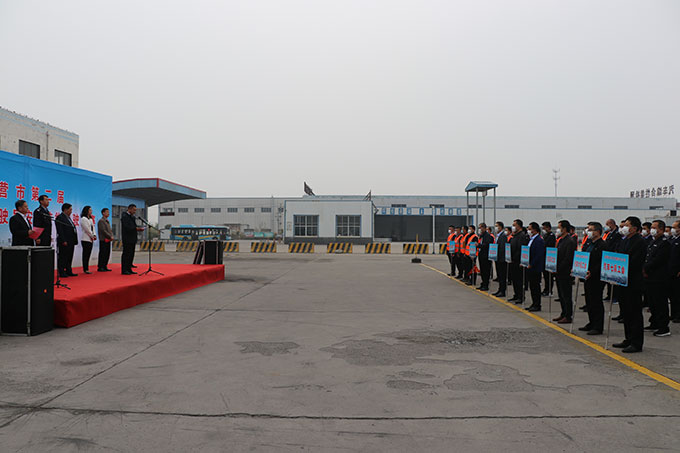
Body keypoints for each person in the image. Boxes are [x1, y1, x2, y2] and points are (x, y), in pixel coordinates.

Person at [613, 216, 647, 353]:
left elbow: (635, 263)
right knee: (626, 312)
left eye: (627, 225)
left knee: (634, 313)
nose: (624, 228)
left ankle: (636, 343)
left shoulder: (639, 242)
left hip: (633, 282)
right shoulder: (625, 240)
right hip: (622, 281)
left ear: (634, 228)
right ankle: (628, 338)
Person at [643, 220, 671, 337]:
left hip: (659, 278)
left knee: (660, 303)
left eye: (655, 228)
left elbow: (658, 260)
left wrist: (645, 268)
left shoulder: (664, 243)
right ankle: (654, 322)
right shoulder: (652, 241)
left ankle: (663, 327)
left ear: (661, 229)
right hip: (650, 277)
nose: (652, 230)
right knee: (652, 302)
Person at [579, 222, 606, 335]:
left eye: (590, 230)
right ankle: (591, 322)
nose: (588, 232)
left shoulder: (603, 245)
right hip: (587, 276)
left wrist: (593, 271)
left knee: (596, 301)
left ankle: (598, 326)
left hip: (596, 277)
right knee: (589, 301)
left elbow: (601, 262)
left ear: (597, 232)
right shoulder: (589, 243)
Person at [554, 220, 576, 324]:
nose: (558, 229)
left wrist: (559, 268)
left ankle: (568, 315)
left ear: (564, 229)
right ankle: (563, 313)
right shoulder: (561, 240)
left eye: (559, 227)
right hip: (559, 272)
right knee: (561, 295)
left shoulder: (570, 241)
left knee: (566, 295)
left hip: (565, 272)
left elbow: (568, 258)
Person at [525, 222, 546, 312]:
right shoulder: (531, 239)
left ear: (535, 230)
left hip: (535, 267)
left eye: (530, 229)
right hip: (529, 266)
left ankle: (537, 304)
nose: (528, 231)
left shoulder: (539, 240)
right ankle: (533, 303)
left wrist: (532, 264)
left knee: (535, 286)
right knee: (532, 286)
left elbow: (539, 255)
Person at [56, 203, 78, 277]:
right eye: (70, 209)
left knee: (69, 256)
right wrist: (63, 240)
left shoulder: (68, 218)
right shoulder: (60, 217)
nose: (71, 211)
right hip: (65, 241)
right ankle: (61, 271)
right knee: (63, 257)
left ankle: (69, 270)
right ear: (65, 210)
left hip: (71, 240)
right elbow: (60, 230)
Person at [121, 204, 144, 275]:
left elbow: (134, 226)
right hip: (127, 238)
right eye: (134, 210)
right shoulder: (124, 216)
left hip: (132, 238)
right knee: (126, 254)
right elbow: (127, 227)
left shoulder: (132, 217)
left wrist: (138, 228)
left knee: (131, 254)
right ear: (129, 209)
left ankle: (129, 268)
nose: (134, 212)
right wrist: (136, 229)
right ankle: (124, 270)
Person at [508, 219, 527, 304]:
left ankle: (521, 296)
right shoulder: (514, 235)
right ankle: (516, 295)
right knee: (514, 280)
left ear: (519, 226)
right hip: (512, 261)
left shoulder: (522, 236)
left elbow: (520, 249)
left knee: (519, 280)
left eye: (514, 225)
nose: (513, 227)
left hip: (517, 261)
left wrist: (515, 258)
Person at [78, 206, 97, 274]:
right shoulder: (83, 219)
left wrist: (94, 235)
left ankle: (87, 268)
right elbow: (87, 229)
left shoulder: (90, 219)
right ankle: (85, 269)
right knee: (85, 254)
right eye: (90, 210)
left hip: (90, 239)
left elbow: (93, 228)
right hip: (85, 239)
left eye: (91, 210)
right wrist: (92, 236)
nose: (91, 211)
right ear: (86, 211)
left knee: (88, 254)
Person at [669, 220, 680, 323]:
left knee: (678, 294)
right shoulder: (673, 239)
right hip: (671, 270)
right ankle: (673, 313)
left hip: (677, 271)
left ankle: (678, 315)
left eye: (675, 227)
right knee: (672, 294)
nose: (673, 229)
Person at [493, 221, 508, 297]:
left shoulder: (503, 236)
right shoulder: (498, 236)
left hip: (501, 259)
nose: (495, 228)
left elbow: (502, 248)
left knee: (502, 276)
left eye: (497, 226)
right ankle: (500, 289)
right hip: (497, 258)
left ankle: (502, 291)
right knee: (499, 275)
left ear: (500, 227)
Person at [541, 222, 556, 296]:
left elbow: (549, 246)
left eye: (544, 228)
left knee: (549, 276)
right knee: (545, 276)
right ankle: (546, 289)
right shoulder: (545, 235)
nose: (543, 230)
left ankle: (549, 290)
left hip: (549, 258)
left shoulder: (551, 236)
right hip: (544, 258)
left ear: (548, 228)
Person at [98, 208, 114, 272]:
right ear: (103, 213)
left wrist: (111, 236)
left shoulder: (107, 221)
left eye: (108, 212)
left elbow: (110, 230)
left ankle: (105, 266)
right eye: (107, 212)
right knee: (103, 253)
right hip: (103, 239)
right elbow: (103, 231)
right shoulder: (101, 221)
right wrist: (110, 236)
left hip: (108, 240)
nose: (108, 213)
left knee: (107, 253)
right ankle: (100, 267)